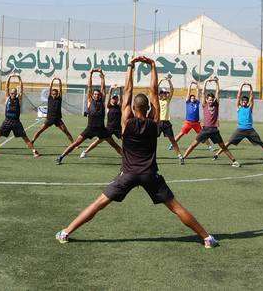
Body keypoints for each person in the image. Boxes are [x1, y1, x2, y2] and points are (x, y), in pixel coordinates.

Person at [55, 56, 219, 248]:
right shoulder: (154, 123)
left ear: (133, 108)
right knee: (175, 207)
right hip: (150, 174)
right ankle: (207, 238)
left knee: (98, 204)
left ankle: (66, 232)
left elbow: (128, 90)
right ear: (149, 108)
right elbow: (154, 92)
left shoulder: (126, 123)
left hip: (128, 174)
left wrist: (131, 67)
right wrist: (152, 66)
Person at [55, 69, 122, 164]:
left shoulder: (102, 101)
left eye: (98, 94)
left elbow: (103, 87)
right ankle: (61, 157)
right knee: (76, 143)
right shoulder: (90, 101)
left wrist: (102, 75)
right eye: (95, 94)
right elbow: (89, 87)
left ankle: (127, 161)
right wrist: (90, 74)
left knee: (114, 145)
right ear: (92, 95)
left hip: (101, 129)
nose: (96, 95)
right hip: (90, 128)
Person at [180, 77, 239, 166]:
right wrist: (207, 81)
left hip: (214, 130)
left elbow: (218, 92)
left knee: (223, 147)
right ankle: (183, 158)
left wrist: (216, 82)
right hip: (205, 130)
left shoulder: (216, 105)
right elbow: (203, 92)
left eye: (212, 99)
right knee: (194, 144)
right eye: (209, 100)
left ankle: (234, 161)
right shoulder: (204, 105)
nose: (210, 101)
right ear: (206, 100)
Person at [0, 75, 40, 157]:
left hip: (16, 122)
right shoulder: (7, 98)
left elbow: (21, 90)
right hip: (7, 121)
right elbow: (6, 87)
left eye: (14, 93)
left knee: (24, 137)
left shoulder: (18, 99)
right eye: (11, 93)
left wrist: (19, 78)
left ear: (16, 93)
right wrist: (9, 77)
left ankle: (34, 151)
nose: (13, 94)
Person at [213, 83, 263, 162]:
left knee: (261, 143)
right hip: (240, 130)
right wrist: (242, 86)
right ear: (241, 102)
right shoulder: (239, 107)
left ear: (247, 102)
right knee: (229, 142)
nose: (244, 102)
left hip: (250, 130)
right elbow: (238, 96)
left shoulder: (249, 108)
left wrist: (250, 87)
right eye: (243, 101)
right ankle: (217, 154)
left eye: (246, 101)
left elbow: (252, 98)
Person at [79, 85, 122, 158]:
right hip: (109, 128)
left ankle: (129, 153)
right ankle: (85, 152)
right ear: (111, 100)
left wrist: (120, 89)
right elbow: (108, 98)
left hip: (118, 128)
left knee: (126, 140)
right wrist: (111, 89)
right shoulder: (108, 106)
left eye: (116, 98)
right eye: (113, 98)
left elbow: (122, 98)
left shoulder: (119, 106)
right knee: (98, 141)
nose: (114, 100)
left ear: (118, 100)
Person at [31, 78, 75, 144]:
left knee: (66, 131)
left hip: (58, 119)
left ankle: (73, 143)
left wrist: (59, 81)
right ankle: (32, 141)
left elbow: (60, 89)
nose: (54, 95)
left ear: (57, 94)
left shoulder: (59, 98)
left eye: (55, 94)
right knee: (40, 130)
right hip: (49, 119)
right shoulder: (50, 98)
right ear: (51, 94)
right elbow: (50, 87)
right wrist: (52, 81)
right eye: (53, 94)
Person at [172, 82, 209, 150]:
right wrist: (190, 85)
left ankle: (210, 146)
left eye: (193, 98)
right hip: (188, 122)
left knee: (202, 135)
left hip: (196, 123)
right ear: (190, 98)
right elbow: (188, 93)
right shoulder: (188, 102)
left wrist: (197, 85)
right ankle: (172, 145)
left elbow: (198, 93)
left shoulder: (197, 102)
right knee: (181, 134)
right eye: (191, 98)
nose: (192, 98)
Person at [156, 76, 184, 161]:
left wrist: (169, 81)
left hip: (166, 123)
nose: (164, 94)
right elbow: (155, 89)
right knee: (152, 139)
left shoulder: (167, 100)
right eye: (163, 93)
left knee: (172, 140)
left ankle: (179, 155)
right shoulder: (157, 100)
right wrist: (160, 80)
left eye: (165, 93)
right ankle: (148, 155)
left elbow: (172, 90)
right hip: (158, 123)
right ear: (160, 94)